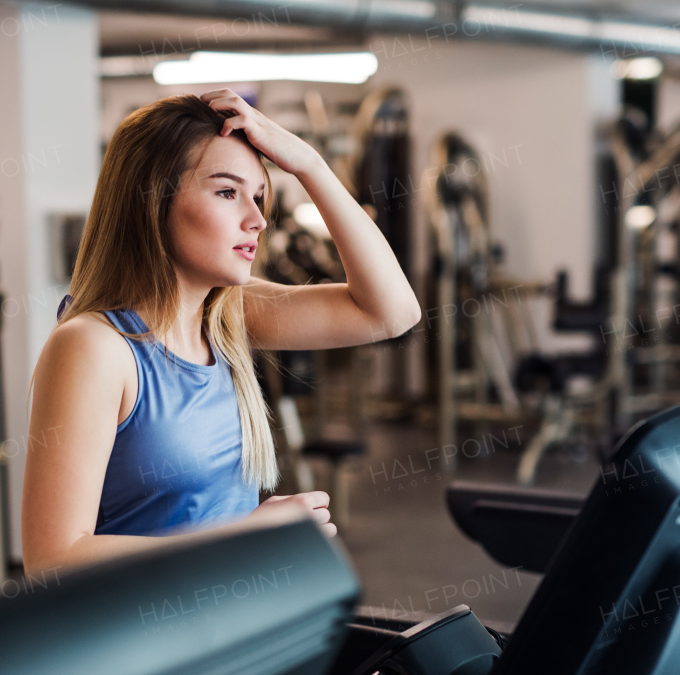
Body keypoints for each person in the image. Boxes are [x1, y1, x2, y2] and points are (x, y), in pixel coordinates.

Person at [22, 91, 420, 574]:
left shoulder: (228, 316)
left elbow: (392, 313)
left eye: (258, 196)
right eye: (227, 192)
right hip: (147, 638)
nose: (257, 219)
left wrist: (309, 165)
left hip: (231, 619)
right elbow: (53, 559)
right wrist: (246, 535)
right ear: (154, 200)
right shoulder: (94, 347)